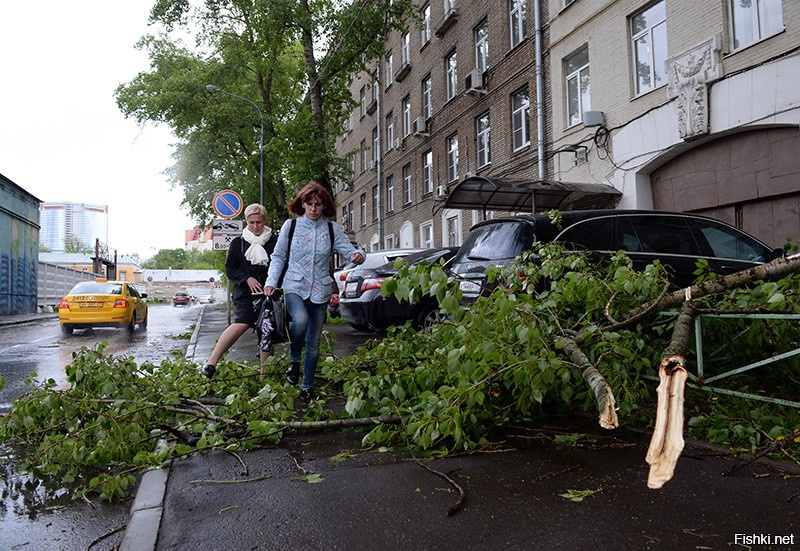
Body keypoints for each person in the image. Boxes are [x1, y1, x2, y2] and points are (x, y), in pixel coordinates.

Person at [265, 181, 364, 401]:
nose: (313, 209)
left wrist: (359, 256)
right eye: (308, 204)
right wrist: (271, 281)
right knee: (299, 320)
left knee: (314, 341)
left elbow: (349, 251)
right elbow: (279, 256)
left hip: (320, 289)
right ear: (302, 204)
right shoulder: (290, 227)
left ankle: (307, 386)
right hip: (294, 285)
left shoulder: (331, 228)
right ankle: (294, 361)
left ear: (324, 206)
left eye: (317, 205)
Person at [202, 203, 278, 378]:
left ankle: (265, 377)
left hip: (270, 292)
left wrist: (272, 283)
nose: (255, 226)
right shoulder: (238, 242)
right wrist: (246, 278)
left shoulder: (275, 241)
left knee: (267, 329)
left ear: (264, 221)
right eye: (251, 223)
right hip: (244, 292)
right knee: (242, 322)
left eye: (259, 222)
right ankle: (211, 363)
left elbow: (281, 263)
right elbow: (230, 268)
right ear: (247, 222)